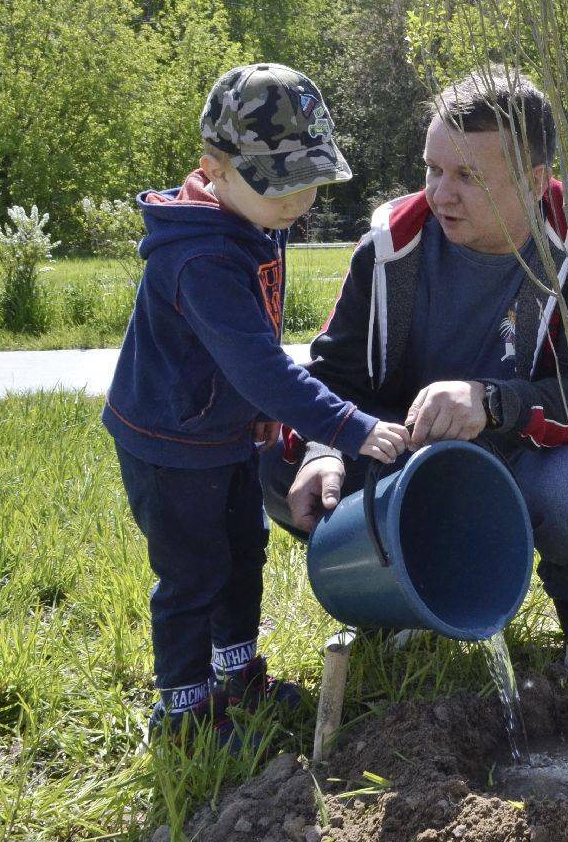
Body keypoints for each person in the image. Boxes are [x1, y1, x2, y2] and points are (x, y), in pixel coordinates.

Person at [261, 66, 568, 671]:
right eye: (433, 169)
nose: (440, 194)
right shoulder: (392, 246)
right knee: (277, 458)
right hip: (406, 448)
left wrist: (492, 402)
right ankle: (396, 601)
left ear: (536, 180)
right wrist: (321, 449)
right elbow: (332, 374)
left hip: (533, 446)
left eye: (468, 176)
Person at [102, 62, 409, 749]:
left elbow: (252, 352)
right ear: (213, 168)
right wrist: (347, 426)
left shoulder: (254, 218)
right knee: (191, 575)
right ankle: (181, 713)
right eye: (280, 184)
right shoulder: (200, 258)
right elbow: (256, 363)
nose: (296, 202)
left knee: (244, 553)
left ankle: (236, 675)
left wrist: (256, 416)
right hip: (170, 441)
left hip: (224, 432)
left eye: (308, 180)